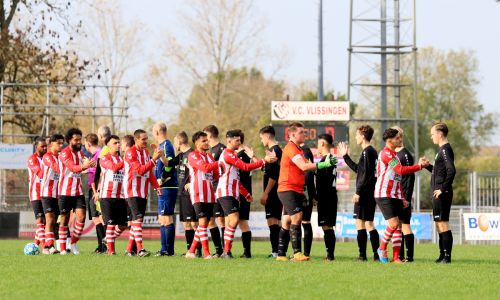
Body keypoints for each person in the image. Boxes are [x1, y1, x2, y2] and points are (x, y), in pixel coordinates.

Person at [276, 122, 336, 262]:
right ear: (292, 134)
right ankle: (297, 253)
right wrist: (323, 164)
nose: (305, 134)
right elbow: (303, 166)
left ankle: (280, 254)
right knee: (297, 217)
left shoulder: (298, 149)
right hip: (288, 188)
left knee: (286, 221)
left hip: (295, 189)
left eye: (304, 132)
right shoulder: (291, 148)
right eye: (301, 132)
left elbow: (306, 166)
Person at [216, 130, 274, 258]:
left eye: (240, 140)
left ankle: (227, 251)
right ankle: (226, 251)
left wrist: (245, 193)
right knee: (235, 219)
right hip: (225, 192)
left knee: (232, 221)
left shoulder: (231, 155)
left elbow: (235, 178)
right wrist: (264, 161)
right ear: (229, 141)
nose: (239, 142)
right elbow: (246, 167)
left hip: (230, 192)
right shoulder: (228, 154)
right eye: (237, 140)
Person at [374, 128, 428, 264]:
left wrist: (402, 196)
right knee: (393, 223)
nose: (400, 140)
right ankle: (381, 248)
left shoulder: (395, 155)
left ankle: (396, 257)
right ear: (390, 140)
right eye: (397, 138)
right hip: (384, 193)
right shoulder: (386, 154)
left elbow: (397, 178)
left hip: (395, 194)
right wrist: (419, 166)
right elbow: (401, 171)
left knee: (398, 226)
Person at [338, 125, 380, 261]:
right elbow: (360, 170)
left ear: (362, 136)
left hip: (365, 193)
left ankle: (362, 256)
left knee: (360, 224)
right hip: (370, 193)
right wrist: (345, 157)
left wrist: (358, 192)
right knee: (369, 224)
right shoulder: (371, 152)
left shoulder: (367, 152)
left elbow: (366, 175)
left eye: (357, 135)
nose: (356, 137)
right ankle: (376, 255)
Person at [124, 129, 163, 257]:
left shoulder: (145, 152)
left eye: (147, 138)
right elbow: (140, 170)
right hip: (132, 190)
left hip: (143, 190)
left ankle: (129, 250)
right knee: (138, 219)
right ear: (136, 140)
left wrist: (156, 186)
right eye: (143, 139)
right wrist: (154, 159)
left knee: (136, 220)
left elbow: (148, 172)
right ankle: (140, 249)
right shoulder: (130, 153)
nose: (146, 141)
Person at [58, 128, 97, 255]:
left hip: (78, 191)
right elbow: (72, 168)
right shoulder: (64, 153)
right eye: (76, 140)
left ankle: (73, 243)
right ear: (69, 140)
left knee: (81, 217)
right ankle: (63, 247)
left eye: (80, 139)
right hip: (65, 192)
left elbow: (80, 169)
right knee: (64, 219)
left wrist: (89, 166)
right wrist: (84, 166)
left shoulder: (80, 153)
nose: (79, 142)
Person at [185, 131, 221, 259]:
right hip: (198, 193)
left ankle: (191, 251)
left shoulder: (210, 157)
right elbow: (205, 168)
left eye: (207, 140)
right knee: (202, 222)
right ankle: (206, 253)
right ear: (196, 143)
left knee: (204, 224)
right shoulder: (193, 155)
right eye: (203, 141)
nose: (207, 142)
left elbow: (216, 175)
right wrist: (220, 162)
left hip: (210, 194)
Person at [424, 122, 456, 264]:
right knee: (438, 224)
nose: (431, 137)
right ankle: (442, 255)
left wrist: (442, 188)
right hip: (438, 193)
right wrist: (428, 166)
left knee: (443, 224)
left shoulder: (445, 150)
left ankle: (447, 257)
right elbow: (439, 173)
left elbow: (451, 170)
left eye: (432, 134)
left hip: (442, 193)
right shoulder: (441, 150)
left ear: (440, 134)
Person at [166, 131, 200, 256]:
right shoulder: (180, 156)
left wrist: (192, 183)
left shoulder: (192, 154)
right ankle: (189, 250)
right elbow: (168, 163)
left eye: (175, 142)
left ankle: (198, 250)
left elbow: (199, 170)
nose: (174, 144)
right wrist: (158, 155)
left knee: (194, 223)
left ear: (179, 142)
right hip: (182, 193)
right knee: (186, 223)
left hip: (191, 194)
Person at [99, 135, 128, 255]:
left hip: (120, 197)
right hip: (107, 196)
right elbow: (114, 168)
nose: (118, 145)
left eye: (119, 142)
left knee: (122, 225)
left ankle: (107, 239)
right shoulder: (104, 159)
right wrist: (126, 160)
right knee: (110, 224)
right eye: (115, 143)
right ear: (108, 145)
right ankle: (111, 251)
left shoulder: (123, 159)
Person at [152, 122, 178, 256]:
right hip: (163, 186)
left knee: (167, 218)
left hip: (167, 185)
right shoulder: (161, 146)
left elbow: (169, 165)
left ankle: (168, 250)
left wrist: (161, 180)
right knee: (162, 219)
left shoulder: (166, 145)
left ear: (156, 132)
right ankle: (164, 249)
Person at [392, 126, 416, 262]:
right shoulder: (394, 154)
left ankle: (410, 257)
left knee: (405, 225)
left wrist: (406, 197)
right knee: (397, 226)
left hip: (403, 197)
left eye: (396, 137)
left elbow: (409, 177)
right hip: (395, 195)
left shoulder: (405, 155)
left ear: (400, 137)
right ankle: (399, 256)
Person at [259, 125, 283, 258]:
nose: (261, 140)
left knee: (273, 221)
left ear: (267, 136)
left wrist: (266, 193)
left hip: (273, 192)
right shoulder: (276, 150)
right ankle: (279, 250)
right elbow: (267, 171)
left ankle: (276, 251)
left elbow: (273, 176)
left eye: (261, 137)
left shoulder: (274, 151)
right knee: (276, 221)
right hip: (277, 192)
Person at [315, 134, 338, 261]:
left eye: (318, 144)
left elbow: (323, 181)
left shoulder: (327, 160)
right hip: (330, 196)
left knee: (327, 226)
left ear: (323, 144)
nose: (317, 146)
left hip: (326, 197)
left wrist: (316, 196)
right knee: (327, 226)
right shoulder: (331, 158)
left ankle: (330, 256)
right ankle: (330, 255)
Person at [203, 124, 225, 257]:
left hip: (220, 189)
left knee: (222, 220)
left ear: (210, 135)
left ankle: (225, 250)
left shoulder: (222, 149)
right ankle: (220, 250)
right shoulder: (209, 151)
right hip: (211, 190)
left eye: (205, 136)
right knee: (213, 220)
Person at [41, 134, 65, 254]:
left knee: (55, 221)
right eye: (58, 143)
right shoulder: (47, 157)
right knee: (49, 219)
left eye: (62, 143)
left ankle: (46, 246)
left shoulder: (61, 157)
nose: (61, 145)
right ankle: (50, 246)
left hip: (59, 194)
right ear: (51, 144)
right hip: (47, 193)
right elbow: (58, 169)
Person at [84, 133, 106, 254]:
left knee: (98, 219)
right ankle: (101, 246)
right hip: (98, 189)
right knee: (97, 218)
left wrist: (95, 191)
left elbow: (95, 176)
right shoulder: (100, 153)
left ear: (87, 144)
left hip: (96, 190)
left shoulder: (97, 156)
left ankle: (103, 246)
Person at [235, 130, 254, 258]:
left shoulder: (244, 155)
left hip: (243, 193)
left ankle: (247, 252)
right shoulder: (234, 154)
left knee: (242, 222)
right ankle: (226, 250)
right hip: (234, 193)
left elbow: (245, 174)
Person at [27, 137, 48, 248]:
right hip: (36, 193)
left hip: (47, 193)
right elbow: (39, 173)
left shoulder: (48, 157)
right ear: (36, 147)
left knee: (45, 221)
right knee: (40, 219)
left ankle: (35, 245)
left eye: (46, 146)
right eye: (42, 146)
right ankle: (45, 246)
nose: (45, 148)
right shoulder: (32, 159)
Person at [301, 144, 316, 258]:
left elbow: (309, 173)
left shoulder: (304, 151)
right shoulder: (294, 150)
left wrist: (312, 194)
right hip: (296, 191)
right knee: (291, 221)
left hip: (303, 192)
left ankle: (305, 253)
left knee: (305, 222)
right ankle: (297, 253)